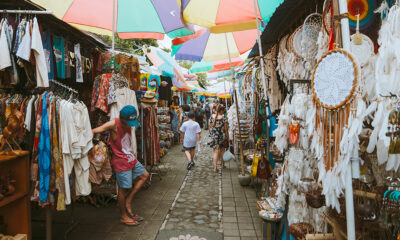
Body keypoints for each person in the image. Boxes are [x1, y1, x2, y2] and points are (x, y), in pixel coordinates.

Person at [92, 105, 149, 226]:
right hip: (120, 161)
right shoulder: (113, 124)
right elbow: (94, 131)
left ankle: (128, 201)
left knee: (145, 175)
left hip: (130, 158)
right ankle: (123, 216)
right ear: (121, 118)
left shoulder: (128, 122)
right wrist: (93, 147)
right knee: (123, 189)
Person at [208, 104, 229, 173]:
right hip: (221, 137)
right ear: (221, 111)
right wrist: (227, 137)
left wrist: (212, 135)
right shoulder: (223, 119)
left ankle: (215, 168)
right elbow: (226, 130)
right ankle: (223, 164)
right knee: (222, 150)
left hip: (214, 136)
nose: (223, 112)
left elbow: (210, 128)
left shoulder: (211, 117)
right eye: (223, 111)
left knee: (215, 151)